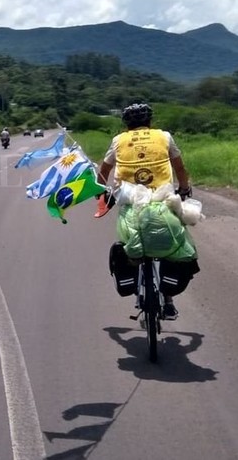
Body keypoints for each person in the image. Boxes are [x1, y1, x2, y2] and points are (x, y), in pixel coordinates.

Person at [96, 103, 193, 319]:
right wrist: (184, 188)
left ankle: (135, 273)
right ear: (150, 122)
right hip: (163, 200)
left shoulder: (118, 140)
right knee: (171, 243)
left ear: (127, 124)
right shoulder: (164, 136)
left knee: (131, 240)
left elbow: (104, 169)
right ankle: (168, 300)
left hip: (130, 202)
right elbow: (179, 168)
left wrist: (101, 191)